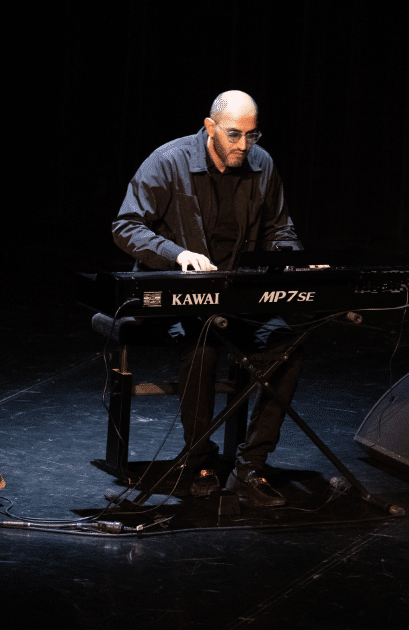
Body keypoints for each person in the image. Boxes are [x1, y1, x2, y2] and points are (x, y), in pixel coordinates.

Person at [112, 90, 303, 507]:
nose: (243, 145)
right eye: (234, 135)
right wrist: (177, 254)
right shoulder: (168, 160)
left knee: (288, 347)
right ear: (210, 126)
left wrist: (291, 260)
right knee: (202, 350)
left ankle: (251, 465)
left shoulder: (262, 163)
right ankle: (199, 460)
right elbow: (125, 227)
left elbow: (280, 229)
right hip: (180, 300)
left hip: (238, 298)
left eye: (251, 136)